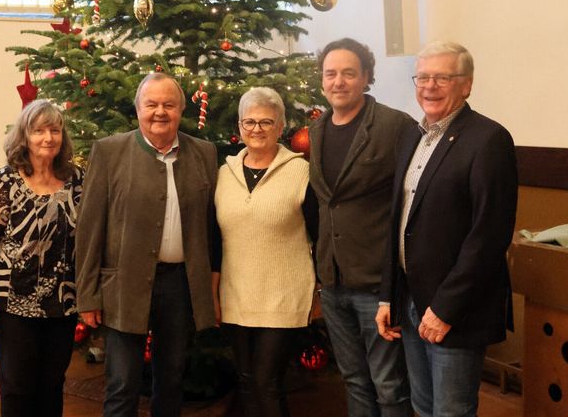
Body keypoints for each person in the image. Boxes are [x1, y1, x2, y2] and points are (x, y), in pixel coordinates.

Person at [376, 41, 518, 417]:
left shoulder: (488, 140)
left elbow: (489, 236)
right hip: (410, 301)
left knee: (451, 411)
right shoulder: (412, 136)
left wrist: (444, 308)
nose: (430, 86)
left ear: (466, 85)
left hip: (455, 310)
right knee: (423, 408)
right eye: (422, 77)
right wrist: (388, 297)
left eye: (442, 77)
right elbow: (398, 220)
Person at [75, 72, 218, 417]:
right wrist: (88, 295)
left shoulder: (204, 153)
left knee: (171, 379)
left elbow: (213, 225)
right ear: (138, 108)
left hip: (179, 285)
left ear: (181, 110)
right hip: (124, 285)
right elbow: (90, 228)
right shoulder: (109, 152)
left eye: (169, 104)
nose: (160, 112)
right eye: (151, 104)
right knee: (122, 383)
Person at [308, 38, 414, 416]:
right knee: (353, 379)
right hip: (334, 282)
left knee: (389, 385)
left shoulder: (395, 126)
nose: (338, 81)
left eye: (348, 73)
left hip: (376, 283)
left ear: (366, 77)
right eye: (330, 74)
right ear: (322, 80)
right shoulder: (317, 130)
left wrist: (393, 285)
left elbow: (412, 202)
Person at [0, 99, 83, 417]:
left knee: (52, 385)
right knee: (17, 387)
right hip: (13, 307)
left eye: (55, 130)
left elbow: (90, 239)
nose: (48, 138)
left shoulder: (76, 179)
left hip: (62, 303)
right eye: (39, 131)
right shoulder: (5, 182)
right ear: (24, 137)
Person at [211, 87, 318, 417]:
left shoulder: (301, 172)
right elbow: (214, 240)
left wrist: (319, 292)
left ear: (281, 126)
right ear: (240, 126)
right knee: (246, 382)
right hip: (236, 295)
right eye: (250, 121)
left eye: (266, 122)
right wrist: (213, 293)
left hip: (283, 296)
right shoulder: (223, 175)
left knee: (266, 382)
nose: (257, 129)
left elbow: (321, 236)